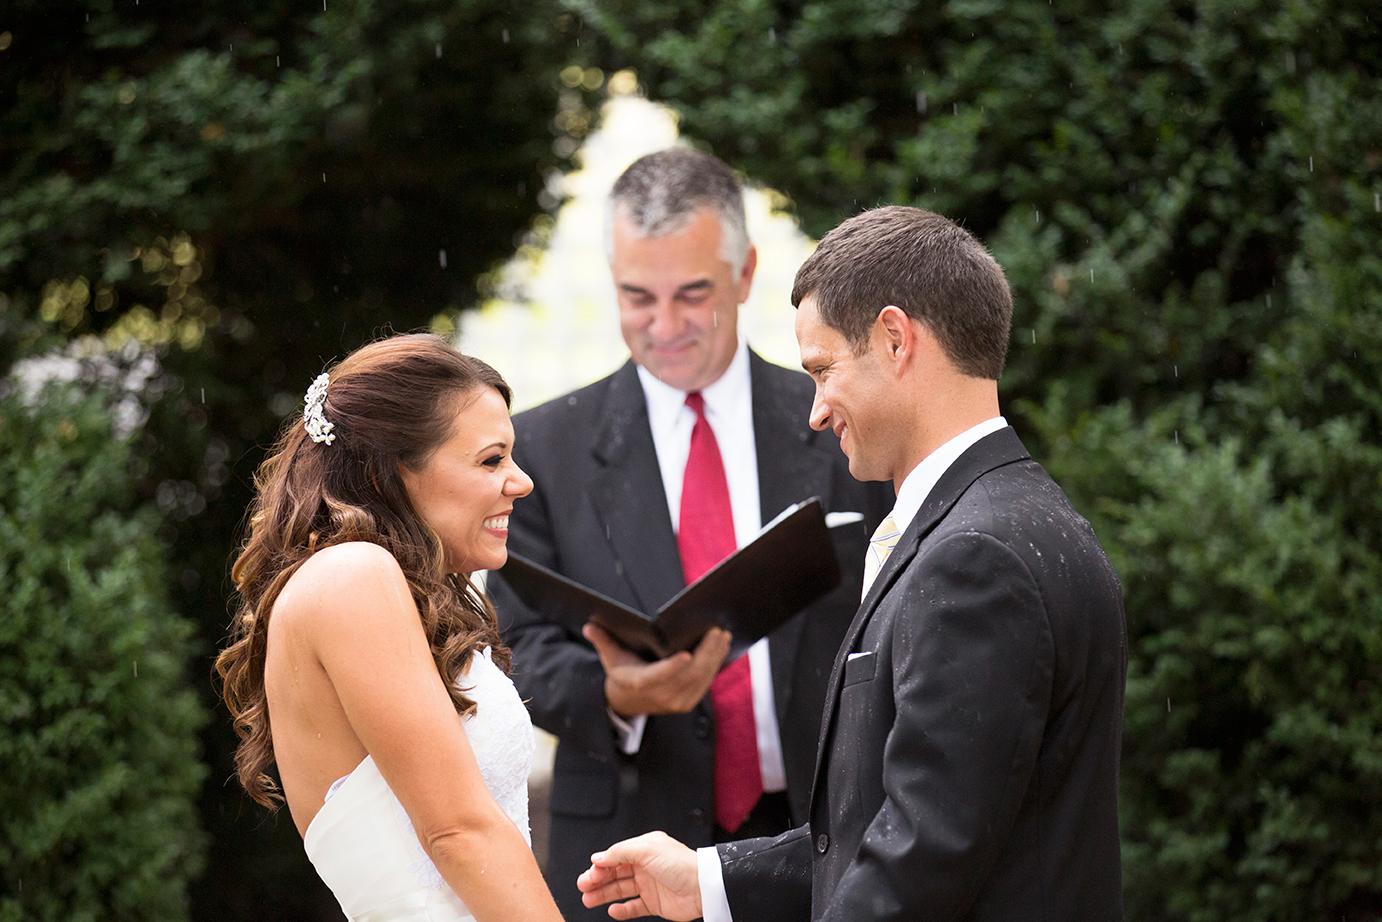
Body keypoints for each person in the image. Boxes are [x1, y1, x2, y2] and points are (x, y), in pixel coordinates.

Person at [577, 206, 1128, 922]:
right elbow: (895, 827)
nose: (815, 410)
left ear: (896, 339)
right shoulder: (1011, 516)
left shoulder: (973, 560)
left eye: (823, 369)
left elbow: (923, 862)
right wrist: (708, 879)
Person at [485, 148, 890, 921]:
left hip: (822, 837)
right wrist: (610, 693)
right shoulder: (542, 448)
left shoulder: (844, 420)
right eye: (637, 296)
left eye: (692, 294)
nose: (664, 327)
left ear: (744, 275)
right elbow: (512, 644)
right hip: (625, 851)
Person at [215, 333, 564, 922]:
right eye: (491, 459)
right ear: (390, 473)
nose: (521, 481)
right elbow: (458, 831)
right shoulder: (353, 574)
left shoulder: (386, 586)